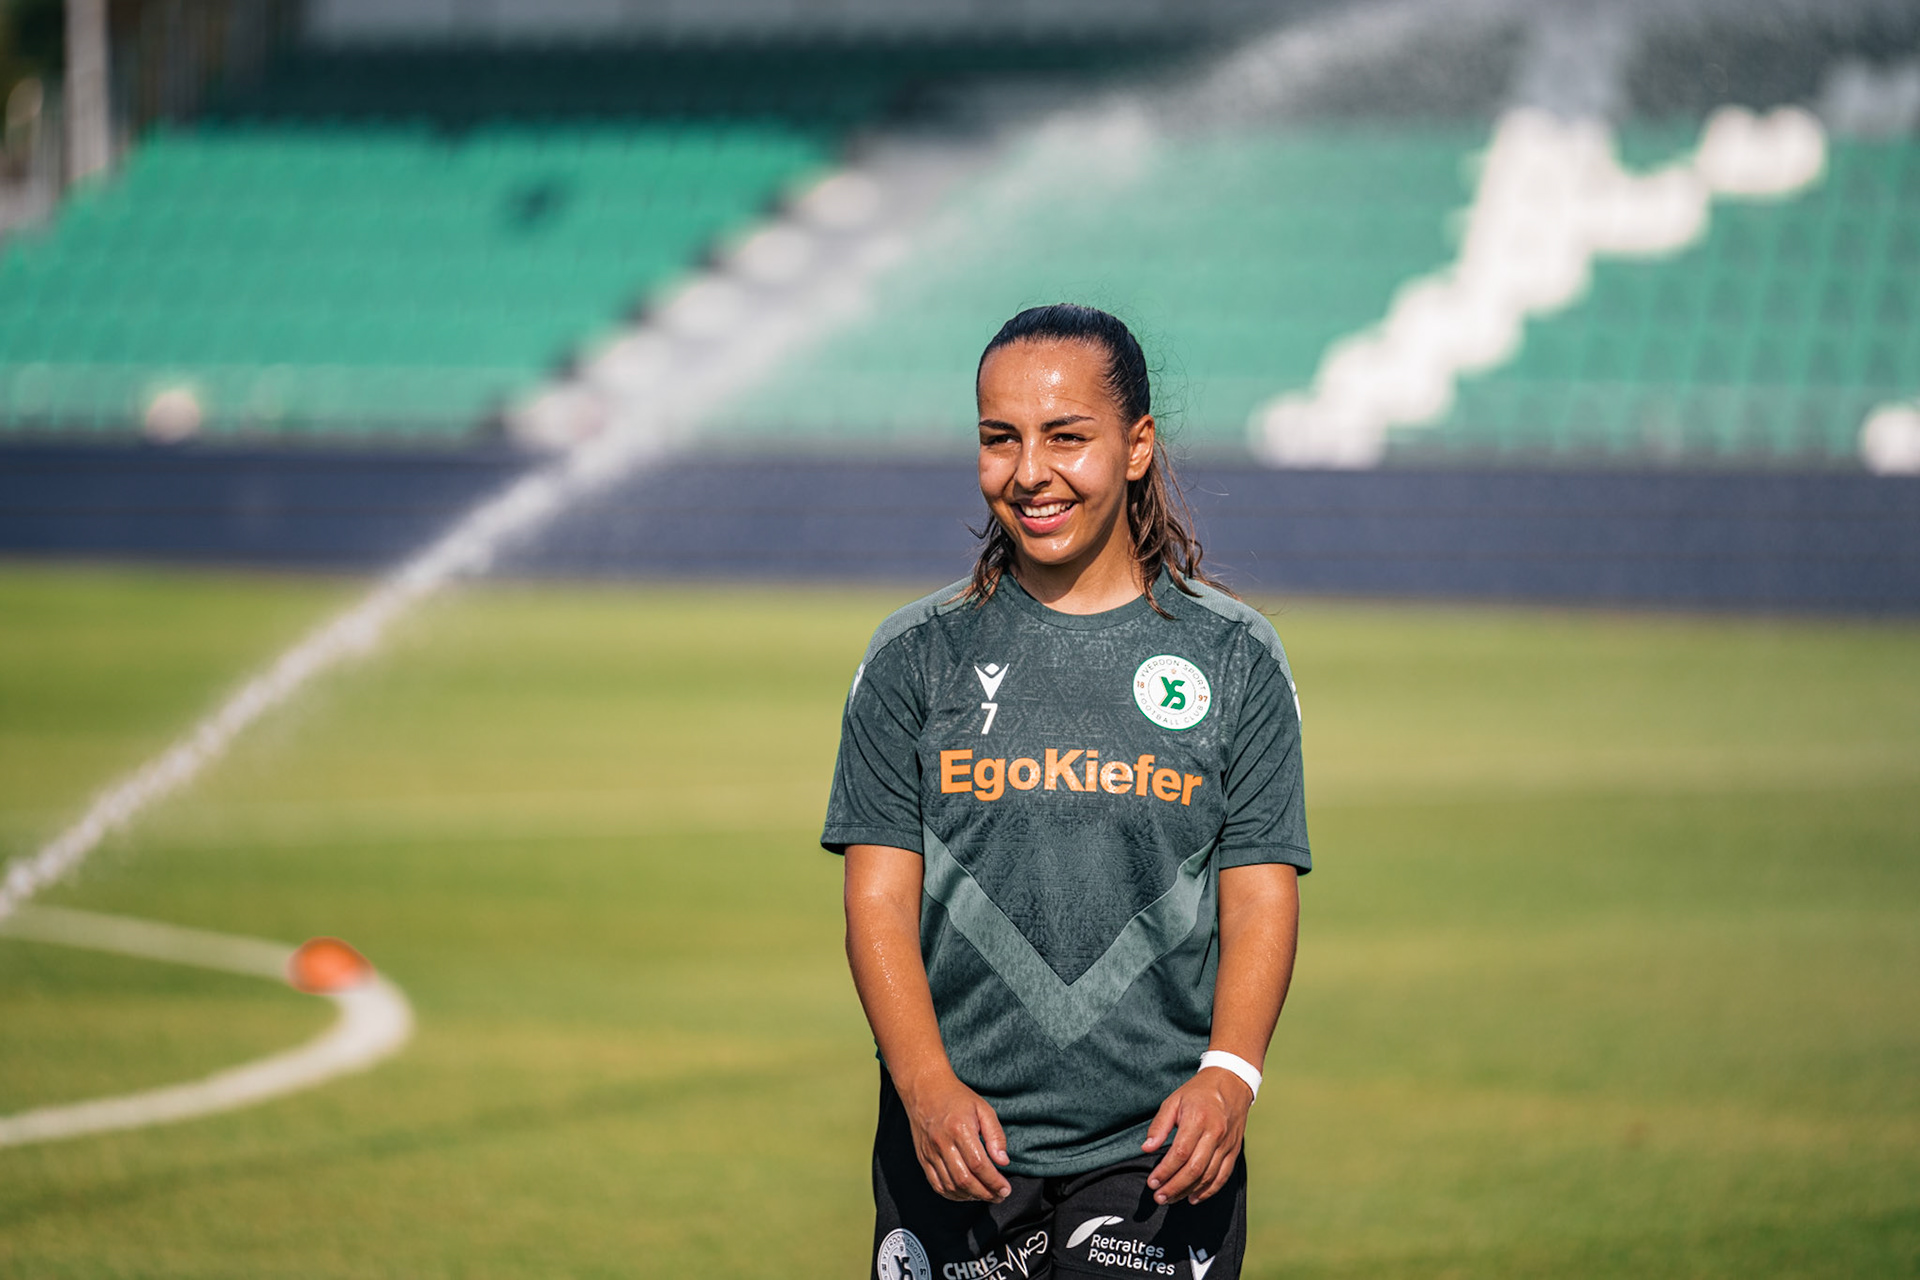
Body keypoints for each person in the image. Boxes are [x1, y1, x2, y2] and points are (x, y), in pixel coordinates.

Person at [822, 304, 1308, 1280]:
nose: (1030, 470)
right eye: (999, 439)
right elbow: (877, 895)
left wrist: (1230, 1074)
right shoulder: (913, 657)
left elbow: (1258, 887)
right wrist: (924, 1087)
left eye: (1067, 436)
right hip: (954, 1148)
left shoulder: (1235, 655)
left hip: (1156, 1151)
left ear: (1136, 448)